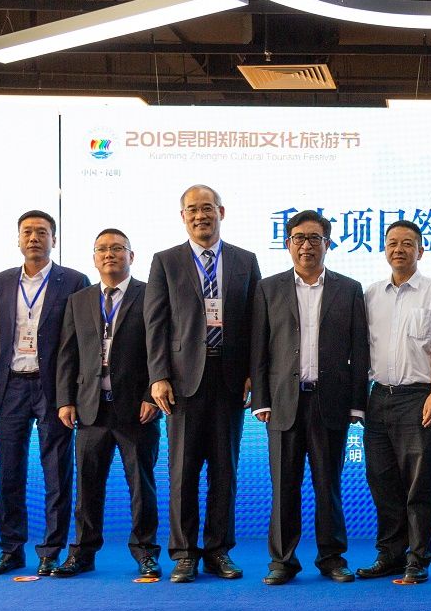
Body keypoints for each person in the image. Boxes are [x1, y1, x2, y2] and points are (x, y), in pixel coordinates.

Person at [145, 184, 262, 583]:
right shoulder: (166, 261)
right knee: (183, 471)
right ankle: (184, 553)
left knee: (224, 470)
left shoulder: (245, 260)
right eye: (192, 210)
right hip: (182, 382)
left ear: (221, 212)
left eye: (207, 208)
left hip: (230, 380)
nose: (201, 216)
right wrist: (158, 376)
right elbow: (155, 323)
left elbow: (255, 324)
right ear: (183, 217)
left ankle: (217, 550)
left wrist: (253, 371)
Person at [251, 210, 369, 586]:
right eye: (299, 238)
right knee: (284, 486)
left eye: (315, 238)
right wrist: (261, 399)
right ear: (288, 244)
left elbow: (359, 350)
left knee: (327, 485)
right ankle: (282, 560)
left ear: (327, 244)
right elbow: (259, 348)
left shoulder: (348, 289)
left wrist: (357, 403)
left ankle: (331, 557)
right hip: (283, 403)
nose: (306, 245)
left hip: (329, 402)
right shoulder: (268, 288)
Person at [0, 210, 89, 576]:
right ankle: (11, 549)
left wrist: (71, 393)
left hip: (53, 387)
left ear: (53, 239)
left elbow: (79, 341)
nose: (34, 238)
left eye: (42, 232)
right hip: (11, 386)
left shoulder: (73, 280)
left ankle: (50, 550)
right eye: (27, 232)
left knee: (56, 472)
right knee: (9, 472)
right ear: (17, 239)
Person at [53, 229, 162, 578]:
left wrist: (151, 395)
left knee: (141, 486)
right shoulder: (79, 300)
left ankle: (145, 552)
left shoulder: (151, 294)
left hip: (137, 410)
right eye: (102, 249)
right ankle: (83, 553)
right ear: (94, 257)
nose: (109, 254)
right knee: (87, 486)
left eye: (117, 248)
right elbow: (67, 353)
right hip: (91, 408)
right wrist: (65, 400)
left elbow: (161, 349)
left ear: (132, 256)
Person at [357, 220, 431, 583]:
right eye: (392, 243)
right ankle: (390, 554)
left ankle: (418, 558)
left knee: (418, 485)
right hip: (378, 398)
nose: (398, 249)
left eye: (407, 243)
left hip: (419, 398)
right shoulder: (371, 294)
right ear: (384, 249)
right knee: (382, 482)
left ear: (421, 250)